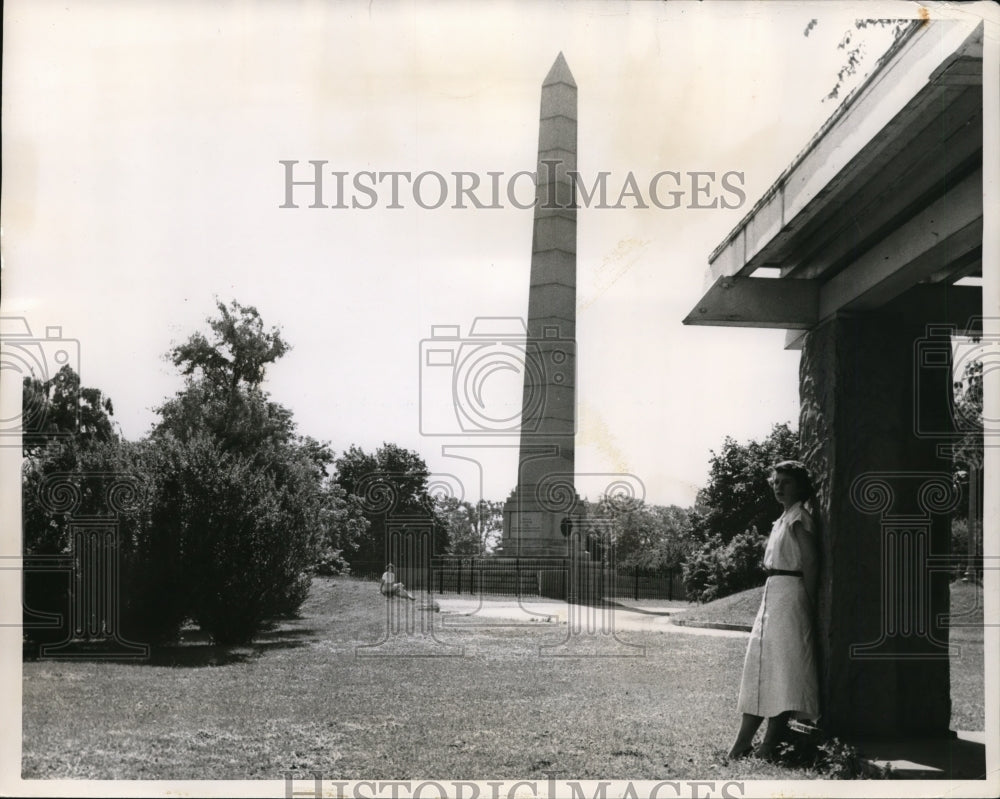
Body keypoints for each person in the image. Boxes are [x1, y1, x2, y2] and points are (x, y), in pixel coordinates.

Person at [728, 460, 820, 760]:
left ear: (801, 487)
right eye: (776, 481)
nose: (779, 486)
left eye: (786, 482)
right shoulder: (781, 520)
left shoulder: (799, 519)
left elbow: (810, 563)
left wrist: (808, 602)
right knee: (759, 669)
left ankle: (769, 745)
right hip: (774, 596)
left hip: (791, 599)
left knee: (782, 672)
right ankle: (743, 743)